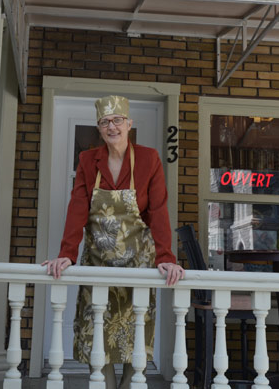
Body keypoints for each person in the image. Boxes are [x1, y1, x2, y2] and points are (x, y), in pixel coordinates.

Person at [42, 95, 184, 389]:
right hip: (98, 260)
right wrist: (67, 253)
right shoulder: (87, 160)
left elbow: (157, 210)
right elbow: (78, 207)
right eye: (105, 122)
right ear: (99, 127)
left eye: (117, 120)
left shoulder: (149, 159)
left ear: (129, 124)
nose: (112, 127)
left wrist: (166, 257)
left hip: (139, 264)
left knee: (136, 334)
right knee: (99, 335)